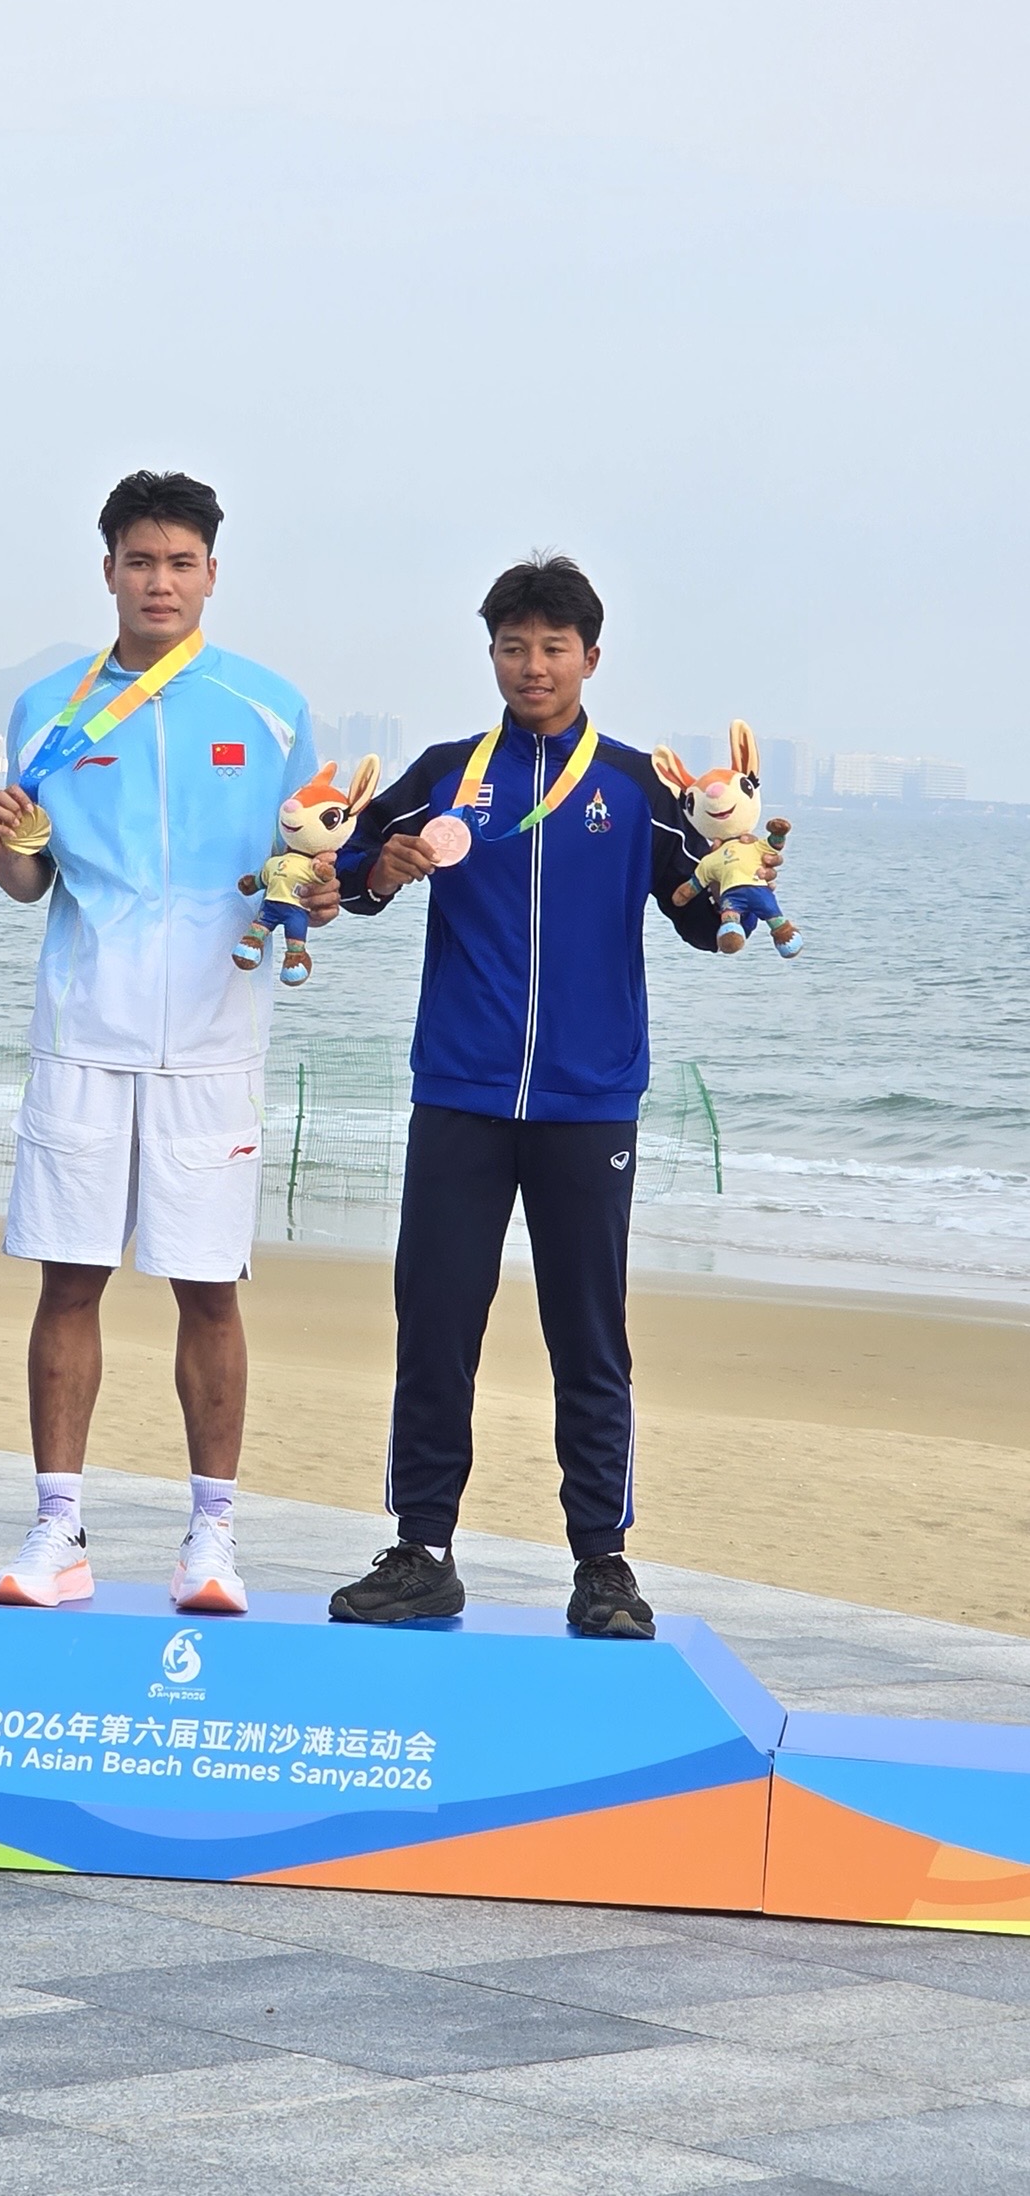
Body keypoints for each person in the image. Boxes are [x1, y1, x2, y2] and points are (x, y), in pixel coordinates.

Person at [326, 555, 771, 1637]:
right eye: (514, 646)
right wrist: (378, 870)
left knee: (588, 1335)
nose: (533, 665)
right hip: (461, 1091)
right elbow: (343, 871)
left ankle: (602, 1563)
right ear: (491, 654)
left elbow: (696, 914)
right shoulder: (446, 771)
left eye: (554, 648)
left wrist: (737, 875)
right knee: (436, 1322)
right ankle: (423, 1549)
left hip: (590, 1100)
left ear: (590, 658)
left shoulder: (634, 783)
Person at [0, 470, 327, 1614]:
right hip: (83, 1032)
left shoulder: (271, 709)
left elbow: (306, 871)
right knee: (68, 1280)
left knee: (208, 1291)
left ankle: (211, 1540)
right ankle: (57, 1530)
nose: (159, 582)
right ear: (109, 571)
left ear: (212, 574)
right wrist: (6, 846)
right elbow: (28, 882)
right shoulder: (48, 710)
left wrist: (323, 897)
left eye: (180, 563)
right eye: (140, 562)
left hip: (217, 1039)